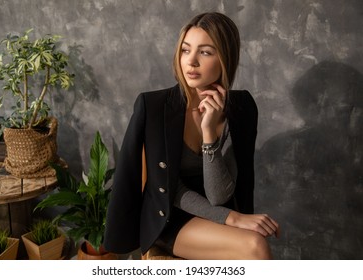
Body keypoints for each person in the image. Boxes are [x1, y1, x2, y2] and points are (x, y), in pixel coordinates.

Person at [104, 12, 279, 259]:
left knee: (255, 244)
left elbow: (220, 195)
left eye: (205, 52)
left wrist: (209, 133)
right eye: (186, 50)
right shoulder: (154, 107)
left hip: (219, 212)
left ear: (225, 59)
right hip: (169, 217)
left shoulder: (241, 108)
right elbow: (171, 190)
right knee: (255, 246)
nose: (191, 61)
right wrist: (233, 218)